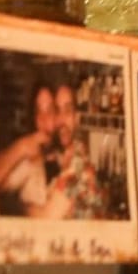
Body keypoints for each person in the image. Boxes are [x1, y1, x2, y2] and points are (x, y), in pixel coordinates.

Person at [44, 82, 109, 219]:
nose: (61, 120)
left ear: (77, 118)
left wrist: (23, 206)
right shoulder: (59, 159)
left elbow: (46, 219)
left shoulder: (78, 166)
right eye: (57, 111)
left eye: (67, 111)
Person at [0, 81, 58, 217]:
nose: (43, 118)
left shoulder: (69, 157)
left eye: (49, 110)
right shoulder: (31, 161)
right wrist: (20, 147)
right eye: (38, 111)